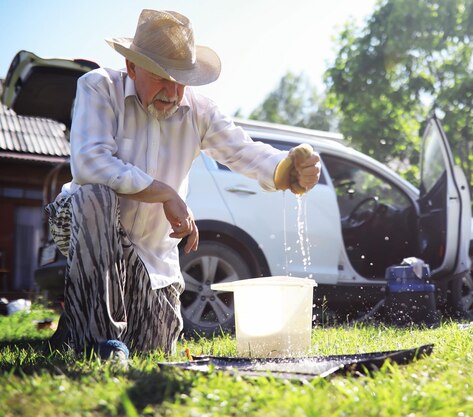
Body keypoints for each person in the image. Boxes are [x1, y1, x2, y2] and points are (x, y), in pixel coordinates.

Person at [46, 9, 321, 359]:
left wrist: (287, 171)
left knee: (154, 349)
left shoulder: (200, 110)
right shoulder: (99, 86)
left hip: (152, 253)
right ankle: (102, 343)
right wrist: (164, 192)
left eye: (181, 79)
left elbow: (243, 151)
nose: (172, 91)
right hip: (82, 223)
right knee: (94, 196)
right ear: (132, 68)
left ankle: (74, 328)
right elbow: (90, 164)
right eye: (161, 77)